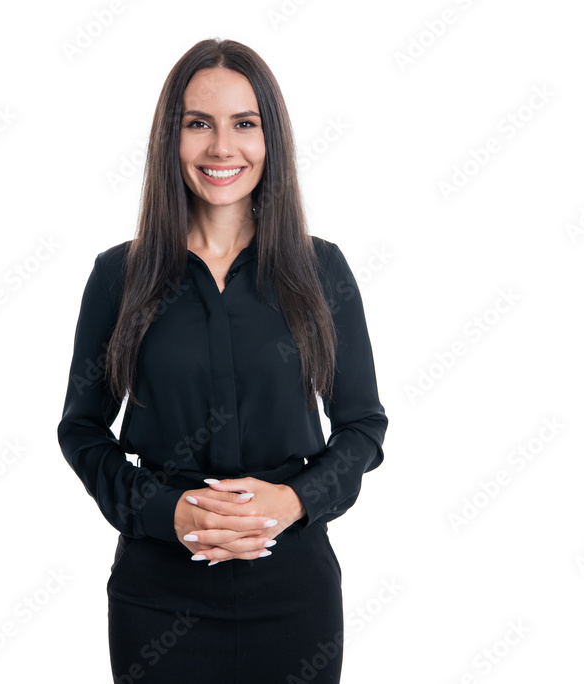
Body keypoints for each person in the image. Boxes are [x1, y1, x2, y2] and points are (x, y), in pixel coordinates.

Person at [58, 37, 388, 684]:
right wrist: (165, 512)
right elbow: (81, 430)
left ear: (272, 140)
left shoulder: (321, 270)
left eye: (245, 124)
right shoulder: (118, 276)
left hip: (294, 597)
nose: (221, 148)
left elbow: (362, 427)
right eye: (198, 124)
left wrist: (293, 500)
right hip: (157, 597)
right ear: (169, 139)